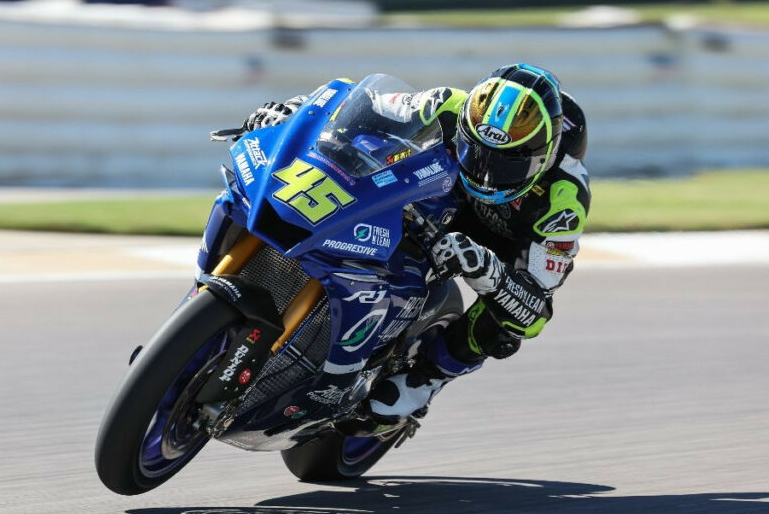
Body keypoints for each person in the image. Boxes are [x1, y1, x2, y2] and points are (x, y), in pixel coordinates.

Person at [242, 64, 590, 421]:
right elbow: (360, 107)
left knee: (505, 328)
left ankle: (425, 381)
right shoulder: (448, 104)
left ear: (544, 157)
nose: (486, 174)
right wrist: (295, 112)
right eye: (476, 151)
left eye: (505, 165)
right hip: (439, 193)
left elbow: (534, 308)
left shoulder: (564, 201)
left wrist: (486, 270)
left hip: (498, 243)